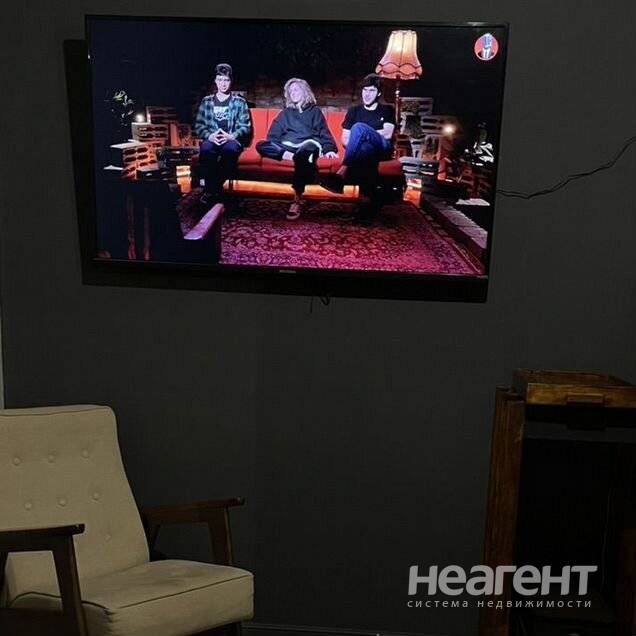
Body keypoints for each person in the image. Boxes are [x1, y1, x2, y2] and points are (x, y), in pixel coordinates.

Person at [256, 78, 338, 220]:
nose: (293, 93)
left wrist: (329, 149)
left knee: (304, 151)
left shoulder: (315, 112)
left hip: (309, 144)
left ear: (305, 92)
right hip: (288, 147)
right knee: (261, 145)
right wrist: (280, 149)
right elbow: (272, 136)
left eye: (296, 89)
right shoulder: (285, 113)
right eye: (290, 91)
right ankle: (299, 160)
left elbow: (324, 133)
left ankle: (296, 200)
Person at [321, 74, 395, 223]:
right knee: (365, 150)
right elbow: (345, 140)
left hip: (382, 147)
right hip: (365, 152)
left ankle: (343, 170)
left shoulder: (386, 110)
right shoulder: (354, 111)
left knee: (359, 128)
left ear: (379, 93)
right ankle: (366, 206)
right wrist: (362, 140)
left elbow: (387, 134)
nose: (367, 94)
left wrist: (363, 134)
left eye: (371, 91)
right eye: (365, 90)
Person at [194, 63, 252, 206]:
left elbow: (245, 127)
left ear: (231, 81)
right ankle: (215, 190)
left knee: (230, 150)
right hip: (212, 138)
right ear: (215, 81)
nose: (223, 84)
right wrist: (210, 136)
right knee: (206, 149)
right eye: (220, 80)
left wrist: (232, 136)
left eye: (226, 80)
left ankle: (211, 190)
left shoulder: (239, 102)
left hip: (230, 139)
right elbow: (199, 126)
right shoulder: (207, 101)